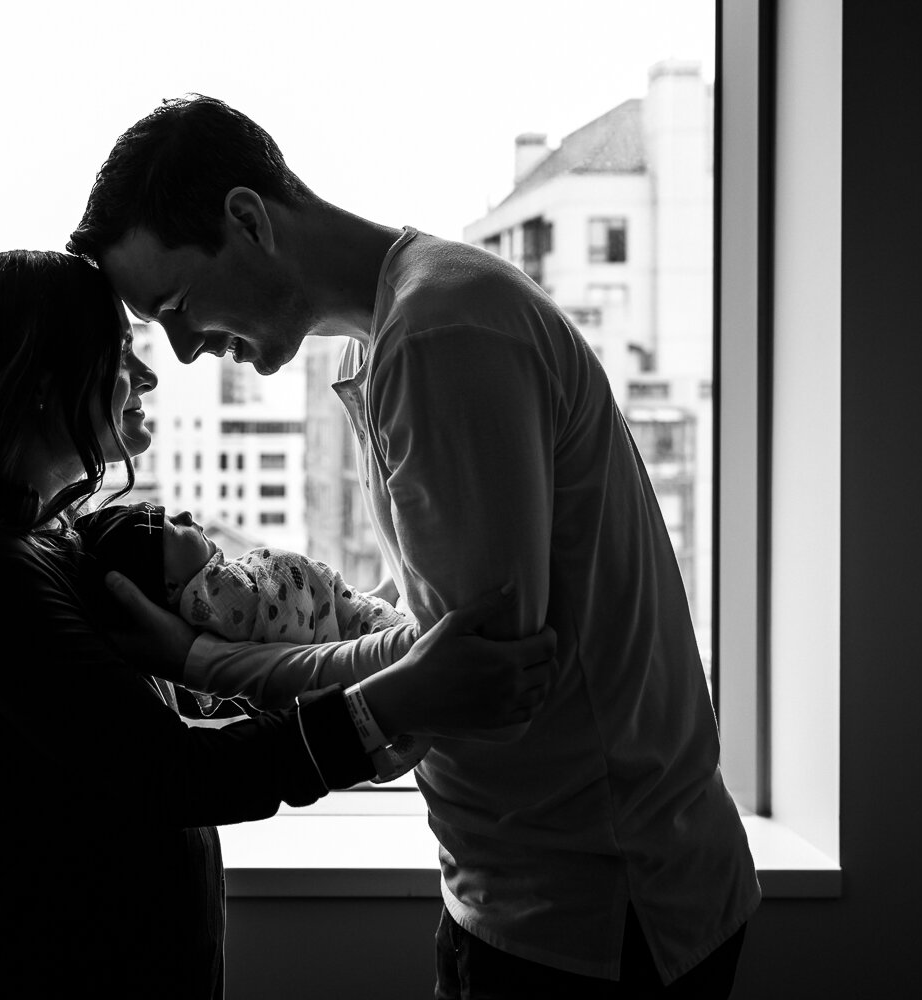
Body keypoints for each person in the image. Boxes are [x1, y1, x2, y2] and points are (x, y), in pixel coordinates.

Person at [67, 95, 760, 996]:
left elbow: (478, 671)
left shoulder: (439, 334)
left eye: (177, 304)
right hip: (552, 890)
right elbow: (439, 635)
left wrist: (206, 659)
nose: (188, 351)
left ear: (246, 219)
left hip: (596, 912)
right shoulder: (412, 328)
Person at [0, 249, 555, 998]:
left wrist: (366, 668)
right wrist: (392, 704)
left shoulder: (48, 544)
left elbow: (146, 733)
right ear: (40, 382)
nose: (145, 376)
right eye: (118, 354)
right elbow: (169, 772)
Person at [75, 500, 430, 779]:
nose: (185, 515)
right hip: (374, 641)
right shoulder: (214, 599)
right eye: (171, 526)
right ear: (169, 588)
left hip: (355, 619)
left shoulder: (211, 607)